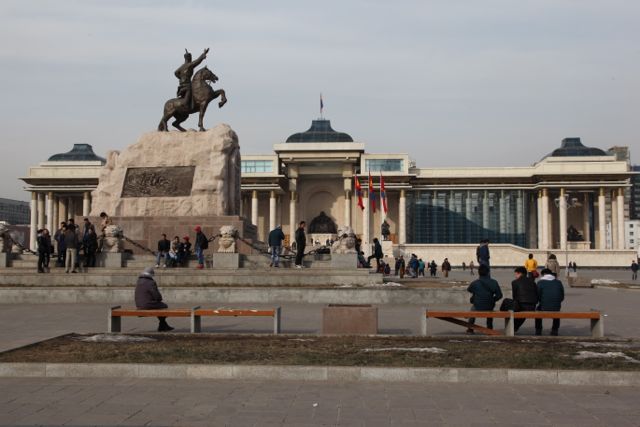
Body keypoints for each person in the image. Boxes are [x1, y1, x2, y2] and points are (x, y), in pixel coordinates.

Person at [134, 267, 174, 332]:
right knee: (164, 306)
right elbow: (156, 296)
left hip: (139, 305)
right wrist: (159, 299)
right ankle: (162, 325)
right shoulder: (151, 282)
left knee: (159, 306)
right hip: (147, 305)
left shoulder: (139, 281)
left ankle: (163, 325)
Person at [467, 264, 503, 333]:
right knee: (490, 309)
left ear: (478, 273)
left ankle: (470, 328)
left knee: (472, 310)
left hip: (477, 305)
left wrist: (476, 293)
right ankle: (489, 328)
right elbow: (499, 295)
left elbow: (469, 289)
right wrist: (493, 299)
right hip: (489, 305)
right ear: (488, 272)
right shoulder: (494, 282)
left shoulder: (475, 283)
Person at [535, 268, 565, 336]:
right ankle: (555, 330)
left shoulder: (540, 282)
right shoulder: (558, 282)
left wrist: (542, 301)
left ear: (543, 274)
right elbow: (562, 296)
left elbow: (538, 296)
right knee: (557, 311)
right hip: (556, 306)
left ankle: (538, 330)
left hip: (544, 306)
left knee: (537, 311)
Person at [511, 266, 539, 332]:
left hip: (521, 306)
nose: (515, 276)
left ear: (520, 273)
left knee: (510, 305)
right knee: (522, 313)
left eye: (516, 274)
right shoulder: (533, 282)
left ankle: (513, 327)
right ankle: (514, 328)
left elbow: (515, 297)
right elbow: (536, 295)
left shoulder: (514, 282)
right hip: (532, 307)